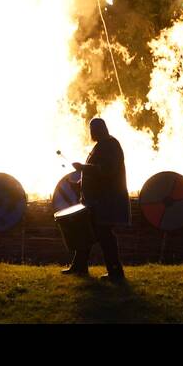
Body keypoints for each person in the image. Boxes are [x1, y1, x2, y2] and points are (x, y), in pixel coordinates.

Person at [62, 117, 129, 281]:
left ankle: (115, 271)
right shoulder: (101, 146)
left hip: (106, 201)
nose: (91, 133)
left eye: (93, 129)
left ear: (100, 129)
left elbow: (107, 170)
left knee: (105, 236)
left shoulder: (111, 145)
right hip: (96, 201)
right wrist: (79, 184)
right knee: (84, 233)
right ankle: (80, 266)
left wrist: (83, 167)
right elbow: (96, 174)